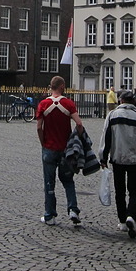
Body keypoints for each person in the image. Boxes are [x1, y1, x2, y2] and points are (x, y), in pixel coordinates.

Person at [98, 90, 136, 239]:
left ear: (120, 101)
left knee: (120, 191)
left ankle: (122, 221)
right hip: (134, 159)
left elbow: (106, 138)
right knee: (134, 192)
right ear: (133, 101)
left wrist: (103, 158)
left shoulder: (112, 115)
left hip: (118, 158)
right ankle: (132, 216)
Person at [36, 76, 84, 226]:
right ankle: (73, 210)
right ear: (62, 86)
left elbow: (39, 127)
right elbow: (79, 123)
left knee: (49, 183)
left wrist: (43, 142)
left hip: (49, 148)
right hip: (65, 149)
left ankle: (50, 215)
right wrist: (77, 138)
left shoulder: (43, 104)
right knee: (68, 180)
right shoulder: (68, 103)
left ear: (51, 86)